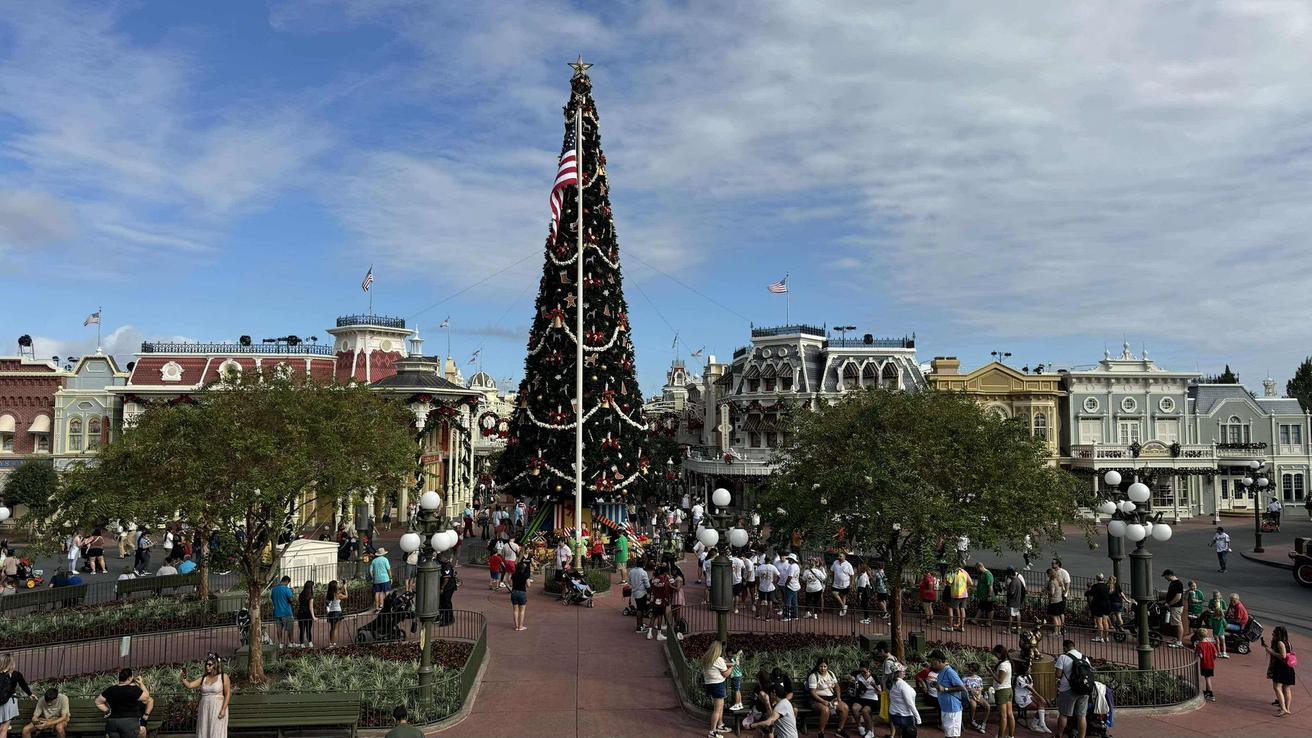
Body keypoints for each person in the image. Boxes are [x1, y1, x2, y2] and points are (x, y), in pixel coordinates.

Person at [180, 653, 230, 738]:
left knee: (216, 731)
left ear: (215, 665)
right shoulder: (204, 678)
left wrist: (223, 709)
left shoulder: (223, 677)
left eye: (210, 664)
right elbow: (190, 685)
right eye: (206, 664)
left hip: (217, 707)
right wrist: (183, 679)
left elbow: (228, 693)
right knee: (204, 730)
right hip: (204, 708)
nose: (207, 666)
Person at [95, 668, 153, 738]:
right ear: (129, 678)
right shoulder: (133, 690)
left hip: (112, 723)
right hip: (129, 723)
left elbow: (98, 702)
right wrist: (141, 683)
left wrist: (108, 710)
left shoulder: (110, 689)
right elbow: (147, 697)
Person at [806, 657, 850, 738]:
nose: (823, 668)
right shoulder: (813, 676)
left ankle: (839, 730)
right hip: (817, 699)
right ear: (817, 666)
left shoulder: (831, 674)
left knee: (845, 707)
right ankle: (821, 732)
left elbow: (836, 686)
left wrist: (839, 697)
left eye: (825, 666)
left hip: (831, 698)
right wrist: (823, 701)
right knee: (825, 710)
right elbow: (812, 693)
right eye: (821, 666)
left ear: (827, 666)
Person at [1054, 640, 1090, 738]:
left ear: (1065, 647)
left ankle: (1059, 735)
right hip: (1084, 689)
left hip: (1068, 689)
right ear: (1074, 646)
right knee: (1082, 716)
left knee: (1064, 714)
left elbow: (1058, 674)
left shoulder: (1063, 657)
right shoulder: (1085, 658)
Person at [928, 649, 966, 738]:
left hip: (952, 708)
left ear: (939, 661)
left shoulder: (950, 672)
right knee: (948, 734)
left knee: (952, 736)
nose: (931, 664)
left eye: (933, 661)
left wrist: (944, 689)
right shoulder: (941, 671)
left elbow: (962, 688)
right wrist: (937, 685)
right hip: (945, 708)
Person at [701, 640, 733, 738]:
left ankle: (720, 725)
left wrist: (729, 664)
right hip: (718, 685)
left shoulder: (706, 658)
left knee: (720, 706)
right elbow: (726, 674)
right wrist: (732, 667)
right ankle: (713, 731)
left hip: (710, 684)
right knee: (717, 710)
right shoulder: (718, 660)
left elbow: (721, 664)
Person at [1263, 625, 1295, 717]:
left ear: (1278, 633)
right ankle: (1287, 708)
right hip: (1289, 668)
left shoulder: (1280, 643)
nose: (1273, 633)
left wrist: (1270, 651)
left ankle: (1283, 709)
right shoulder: (1288, 643)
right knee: (1286, 688)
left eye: (1274, 632)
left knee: (1277, 687)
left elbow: (1283, 656)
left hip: (1281, 667)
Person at [0, 655, 34, 738]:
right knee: (4, 728)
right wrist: (30, 694)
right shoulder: (16, 674)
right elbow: (23, 685)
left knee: (2, 728)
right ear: (11, 663)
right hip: (9, 702)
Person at [1014, 660, 1050, 733]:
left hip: (1028, 695)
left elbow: (1032, 688)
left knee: (1042, 704)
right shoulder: (1019, 678)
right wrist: (1040, 697)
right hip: (1021, 698)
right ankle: (1040, 724)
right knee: (1039, 707)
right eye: (1029, 668)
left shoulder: (1029, 676)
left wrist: (1036, 697)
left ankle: (1035, 724)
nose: (1031, 669)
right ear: (1024, 670)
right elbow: (1029, 688)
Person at [886, 662, 920, 738]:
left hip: (894, 714)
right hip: (905, 715)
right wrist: (918, 718)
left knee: (899, 734)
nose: (904, 672)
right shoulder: (902, 685)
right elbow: (909, 703)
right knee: (910, 735)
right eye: (902, 671)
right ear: (897, 673)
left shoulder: (892, 683)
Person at [850, 663, 881, 738]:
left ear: (868, 669)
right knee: (854, 708)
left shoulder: (873, 676)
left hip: (872, 698)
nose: (863, 673)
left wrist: (875, 686)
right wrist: (851, 679)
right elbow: (850, 677)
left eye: (865, 672)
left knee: (865, 711)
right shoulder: (857, 674)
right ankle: (860, 727)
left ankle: (871, 731)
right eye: (861, 671)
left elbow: (880, 692)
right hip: (862, 697)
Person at [992, 645, 1015, 738]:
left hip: (1002, 691)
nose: (995, 656)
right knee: (1010, 714)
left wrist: (990, 672)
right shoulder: (1008, 662)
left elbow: (1000, 680)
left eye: (995, 654)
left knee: (1003, 716)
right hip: (1008, 689)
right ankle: (1011, 736)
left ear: (999, 653)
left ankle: (1000, 736)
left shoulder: (1002, 665)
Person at [963, 662, 991, 734]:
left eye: (972, 670)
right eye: (969, 669)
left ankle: (984, 723)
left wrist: (978, 690)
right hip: (970, 696)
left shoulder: (978, 678)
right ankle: (972, 720)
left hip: (978, 695)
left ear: (975, 670)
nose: (970, 671)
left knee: (988, 706)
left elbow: (981, 687)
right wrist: (969, 689)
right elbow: (963, 687)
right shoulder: (965, 678)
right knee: (973, 705)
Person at [1192, 627, 1219, 702]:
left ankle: (1211, 694)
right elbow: (1215, 654)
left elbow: (1200, 655)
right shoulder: (1211, 644)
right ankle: (1207, 692)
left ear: (1199, 636)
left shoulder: (1199, 645)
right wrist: (1212, 659)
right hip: (1211, 664)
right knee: (1208, 677)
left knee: (1207, 679)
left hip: (1205, 664)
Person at [943, 563, 971, 632]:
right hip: (964, 594)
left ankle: (950, 626)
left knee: (950, 607)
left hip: (956, 593)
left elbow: (948, 583)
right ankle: (962, 627)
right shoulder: (964, 572)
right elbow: (971, 582)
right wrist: (965, 586)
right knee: (962, 608)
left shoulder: (953, 572)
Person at [1161, 569, 1185, 648]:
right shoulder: (1173, 583)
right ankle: (1176, 639)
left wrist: (1169, 603)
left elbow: (1178, 597)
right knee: (1174, 623)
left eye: (1165, 577)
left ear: (1169, 575)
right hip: (1173, 606)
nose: (1165, 578)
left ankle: (1179, 642)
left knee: (1177, 623)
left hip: (1176, 607)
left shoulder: (1178, 583)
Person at [270, 575, 296, 649]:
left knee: (279, 629)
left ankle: (280, 643)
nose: (288, 584)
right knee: (290, 628)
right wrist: (292, 592)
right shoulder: (286, 589)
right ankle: (290, 642)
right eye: (288, 583)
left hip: (277, 612)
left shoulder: (273, 589)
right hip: (286, 612)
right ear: (287, 581)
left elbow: (272, 598)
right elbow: (291, 600)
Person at [1085, 573, 1112, 643]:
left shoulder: (1095, 586)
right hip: (1106, 604)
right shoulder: (1107, 586)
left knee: (1099, 621)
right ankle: (1106, 637)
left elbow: (1090, 593)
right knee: (1105, 621)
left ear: (1097, 579)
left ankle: (1100, 637)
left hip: (1098, 604)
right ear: (1103, 578)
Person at [969, 561, 995, 627]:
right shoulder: (981, 574)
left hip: (988, 596)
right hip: (983, 596)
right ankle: (976, 620)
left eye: (977, 569)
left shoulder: (987, 574)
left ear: (980, 567)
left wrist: (989, 595)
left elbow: (990, 586)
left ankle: (989, 622)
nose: (976, 570)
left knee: (990, 608)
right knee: (981, 607)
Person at [629, 558, 651, 635]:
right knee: (640, 610)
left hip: (635, 592)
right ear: (643, 564)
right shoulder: (643, 572)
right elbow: (647, 585)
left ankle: (641, 624)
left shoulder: (631, 571)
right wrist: (650, 591)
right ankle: (639, 627)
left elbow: (629, 582)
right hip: (642, 593)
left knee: (639, 608)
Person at [755, 555, 780, 621]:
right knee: (770, 601)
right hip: (770, 586)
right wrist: (775, 582)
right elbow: (778, 575)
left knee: (759, 600)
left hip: (762, 586)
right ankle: (768, 616)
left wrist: (757, 585)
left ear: (764, 560)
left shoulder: (760, 567)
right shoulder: (772, 567)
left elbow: (756, 578)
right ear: (770, 560)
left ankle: (757, 614)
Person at [510, 559, 532, 631]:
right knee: (522, 611)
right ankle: (520, 626)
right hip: (522, 592)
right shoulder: (525, 575)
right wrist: (529, 581)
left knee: (515, 610)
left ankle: (516, 626)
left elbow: (510, 584)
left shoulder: (514, 574)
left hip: (514, 592)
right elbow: (528, 585)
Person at [830, 552, 854, 616]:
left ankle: (843, 611)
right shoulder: (835, 562)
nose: (839, 557)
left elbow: (852, 575)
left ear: (844, 557)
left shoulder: (848, 564)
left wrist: (851, 584)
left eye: (840, 556)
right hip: (836, 583)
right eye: (838, 556)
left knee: (843, 596)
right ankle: (844, 606)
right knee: (834, 593)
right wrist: (832, 581)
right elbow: (832, 572)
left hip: (845, 584)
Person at [325, 579, 348, 647]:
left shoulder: (329, 594)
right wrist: (346, 589)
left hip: (331, 612)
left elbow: (340, 591)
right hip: (337, 612)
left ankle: (331, 643)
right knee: (335, 629)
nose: (338, 585)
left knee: (332, 628)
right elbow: (346, 596)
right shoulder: (337, 594)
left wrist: (344, 586)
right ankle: (334, 643)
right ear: (335, 587)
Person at [295, 580, 317, 648]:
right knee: (308, 629)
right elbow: (311, 607)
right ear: (311, 587)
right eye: (313, 586)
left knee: (302, 629)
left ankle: (302, 644)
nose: (313, 588)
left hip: (301, 613)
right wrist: (313, 617)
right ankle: (310, 642)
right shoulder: (310, 596)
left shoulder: (301, 594)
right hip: (307, 614)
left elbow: (299, 604)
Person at [1207, 592, 1229, 658]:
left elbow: (1210, 624)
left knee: (1217, 642)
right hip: (1221, 632)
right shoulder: (1222, 619)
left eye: (1217, 596)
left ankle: (1218, 653)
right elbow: (1226, 625)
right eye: (1214, 596)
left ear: (1220, 596)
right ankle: (1224, 652)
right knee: (1223, 642)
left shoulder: (1212, 619)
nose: (1216, 597)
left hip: (1215, 632)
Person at [780, 552, 801, 622]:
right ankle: (795, 615)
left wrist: (786, 583)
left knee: (787, 601)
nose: (788, 560)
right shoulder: (796, 566)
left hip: (791, 585)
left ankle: (786, 616)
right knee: (794, 601)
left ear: (792, 559)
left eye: (789, 559)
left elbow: (790, 577)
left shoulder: (792, 566)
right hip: (795, 585)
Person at [1045, 567, 1067, 635]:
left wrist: (1045, 590)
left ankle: (1055, 632)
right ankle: (1059, 631)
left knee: (1054, 617)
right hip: (1059, 599)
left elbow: (1052, 592)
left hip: (1054, 601)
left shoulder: (1052, 582)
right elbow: (1063, 589)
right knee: (1058, 617)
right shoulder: (1058, 580)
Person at [1005, 567, 1026, 633]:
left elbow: (1011, 592)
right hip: (1017, 601)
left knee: (1011, 615)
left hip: (1012, 602)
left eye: (1008, 575)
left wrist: (1007, 590)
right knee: (1017, 614)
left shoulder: (1014, 582)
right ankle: (1018, 629)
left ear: (1011, 574)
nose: (1008, 577)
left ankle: (1008, 629)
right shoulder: (1018, 580)